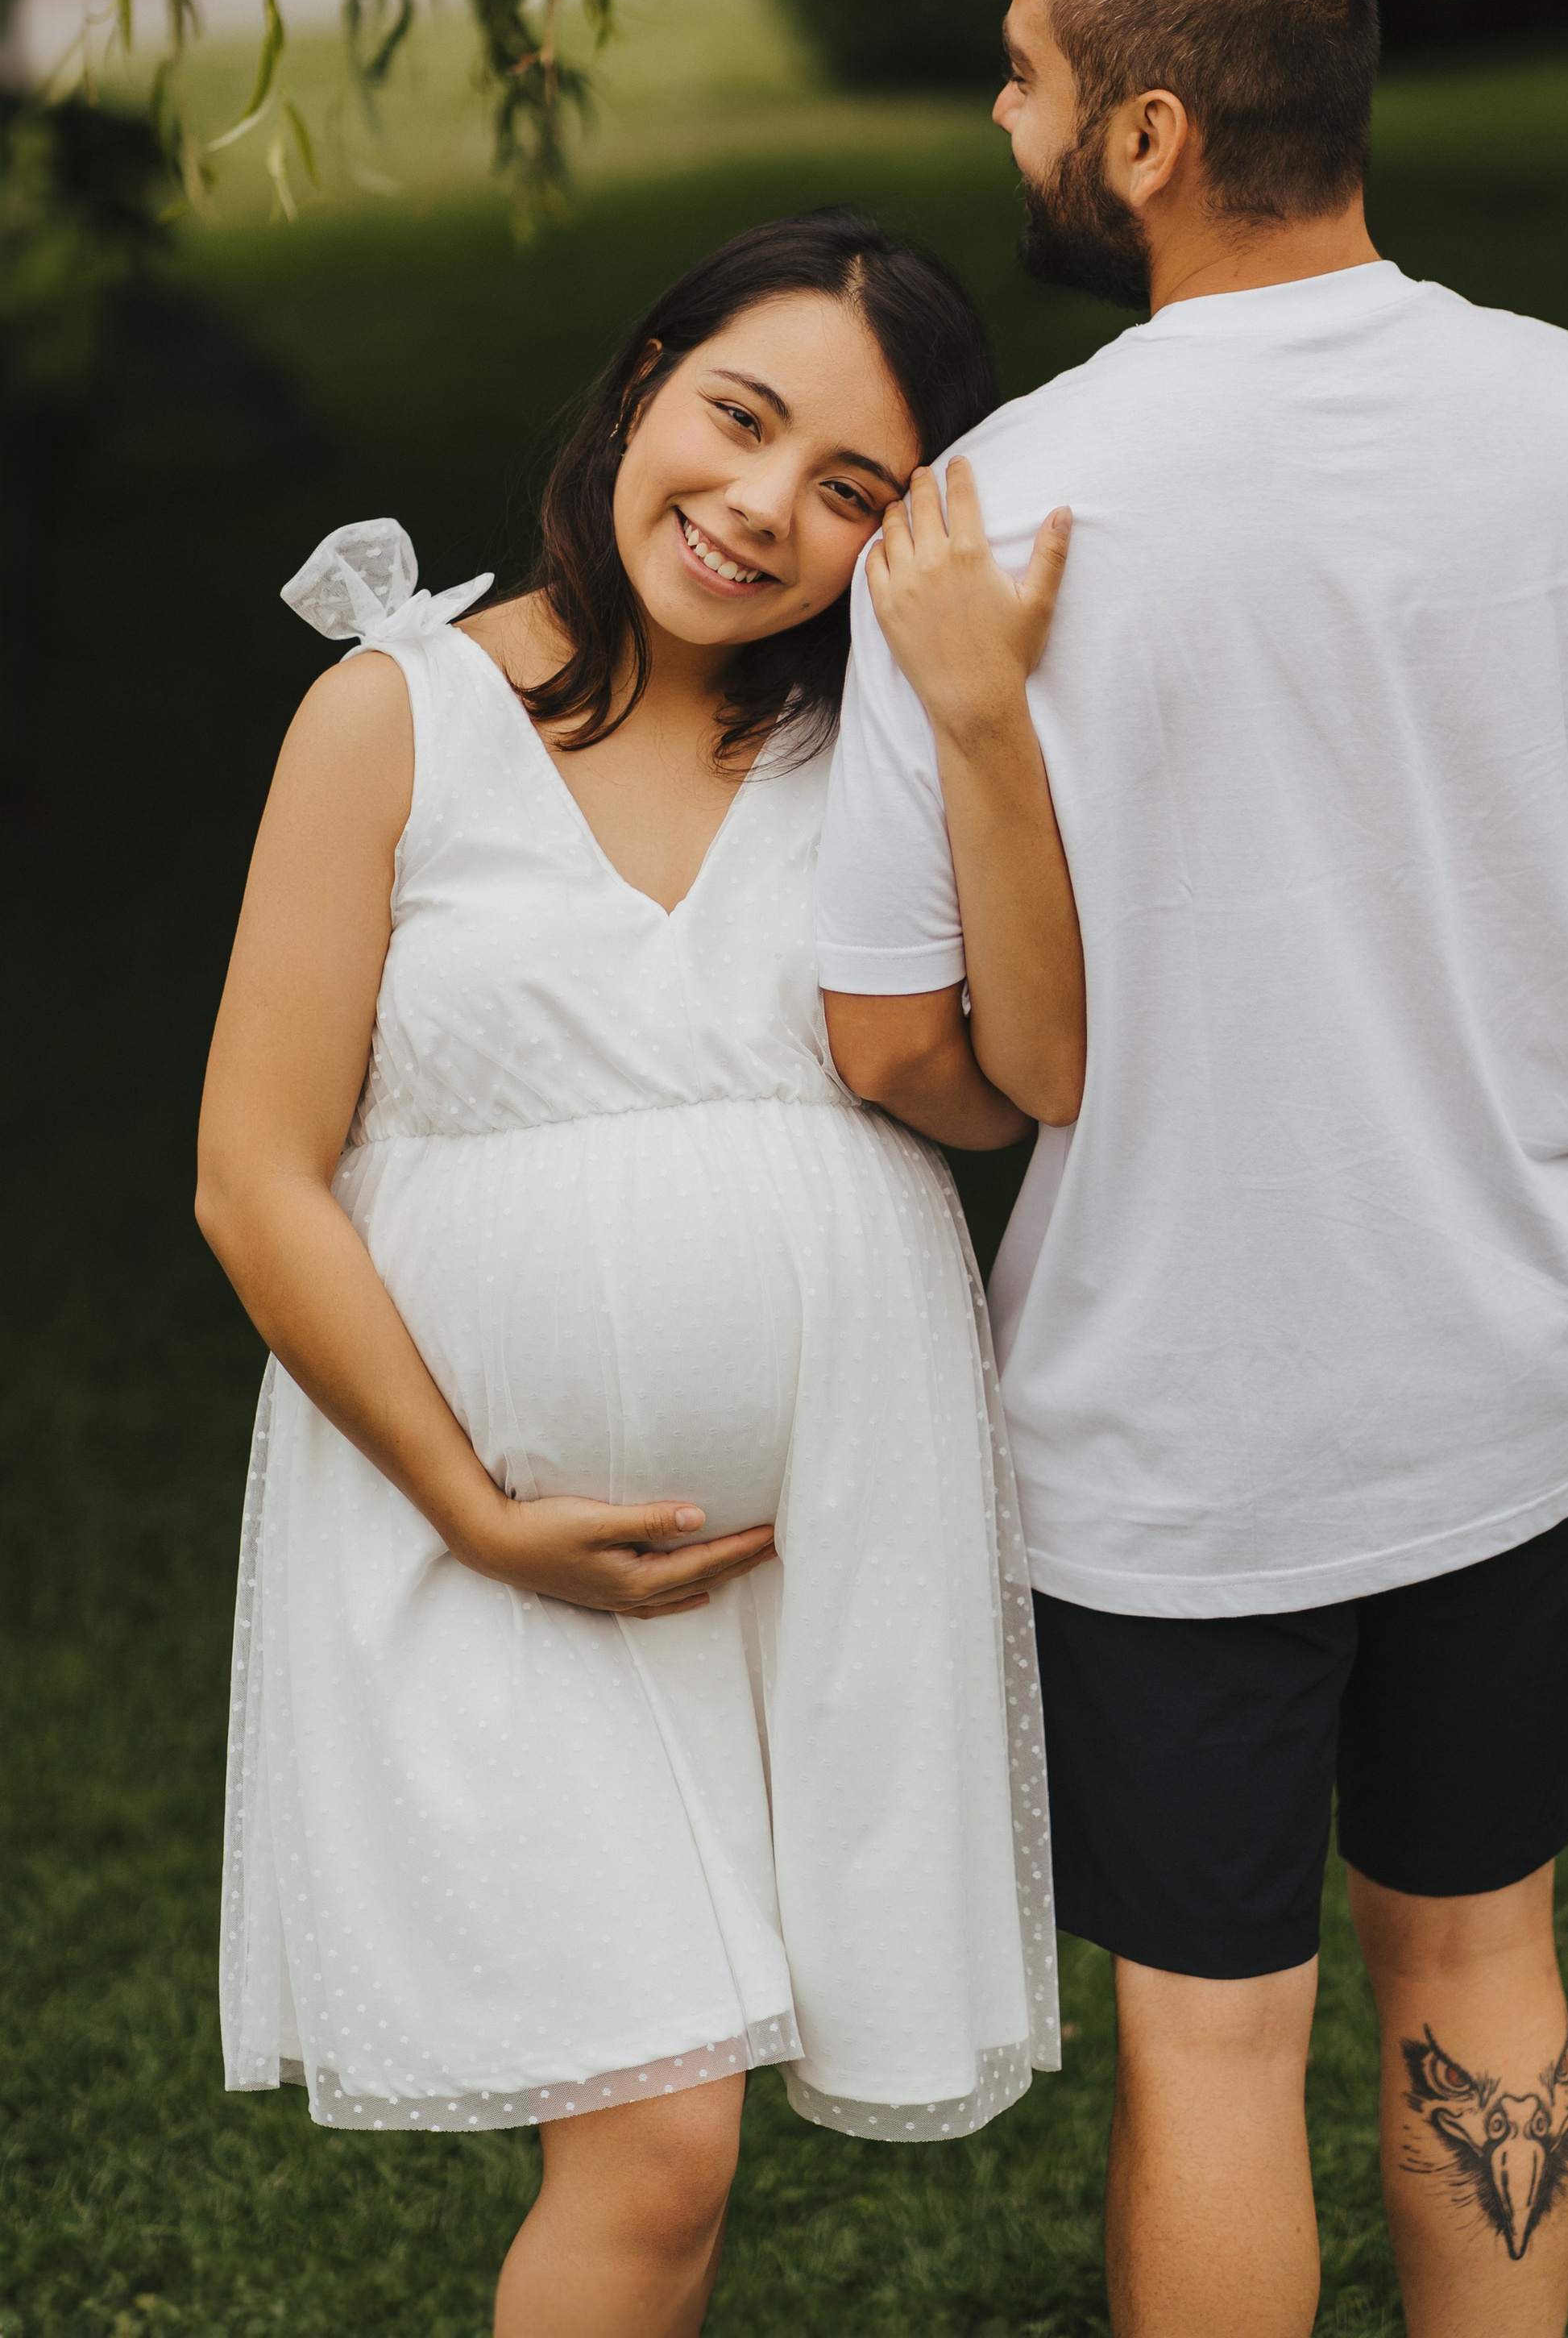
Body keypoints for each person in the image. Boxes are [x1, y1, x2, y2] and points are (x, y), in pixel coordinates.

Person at [817, 0, 1568, 2338]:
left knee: (1216, 2035)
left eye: (1035, 78)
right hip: (1506, 1377)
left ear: (1146, 137)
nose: (1009, 118)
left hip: (1172, 1431)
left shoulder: (985, 526)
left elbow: (891, 1046)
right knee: (1480, 1954)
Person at [196, 210, 1085, 2338]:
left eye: (852, 487)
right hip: (482, 1531)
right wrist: (475, 1509)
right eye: (739, 419)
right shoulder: (392, 715)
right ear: (641, 385)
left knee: (678, 2167)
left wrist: (980, 732)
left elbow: (1022, 1080)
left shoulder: (864, 743)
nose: (764, 507)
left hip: (820, 1540)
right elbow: (255, 1175)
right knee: (664, 2141)